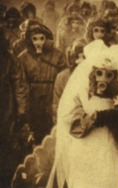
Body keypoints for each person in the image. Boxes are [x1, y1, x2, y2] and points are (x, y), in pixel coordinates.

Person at [47, 40, 118, 188]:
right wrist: (91, 118)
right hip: (84, 143)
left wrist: (117, 114)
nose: (103, 79)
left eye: (108, 75)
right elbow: (67, 116)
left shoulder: (117, 97)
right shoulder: (83, 93)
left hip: (107, 144)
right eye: (99, 73)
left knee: (106, 177)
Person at [18, 21, 66, 144]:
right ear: (29, 40)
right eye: (34, 39)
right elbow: (21, 81)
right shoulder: (23, 57)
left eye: (42, 38)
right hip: (33, 96)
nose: (38, 42)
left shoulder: (57, 54)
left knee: (53, 126)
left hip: (51, 92)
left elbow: (63, 75)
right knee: (36, 128)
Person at [0, 26, 28, 188]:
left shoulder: (10, 60)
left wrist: (22, 111)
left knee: (7, 149)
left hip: (5, 110)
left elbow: (20, 87)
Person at [52, 38, 86, 124]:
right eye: (77, 57)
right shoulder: (63, 77)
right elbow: (57, 102)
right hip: (67, 117)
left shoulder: (92, 76)